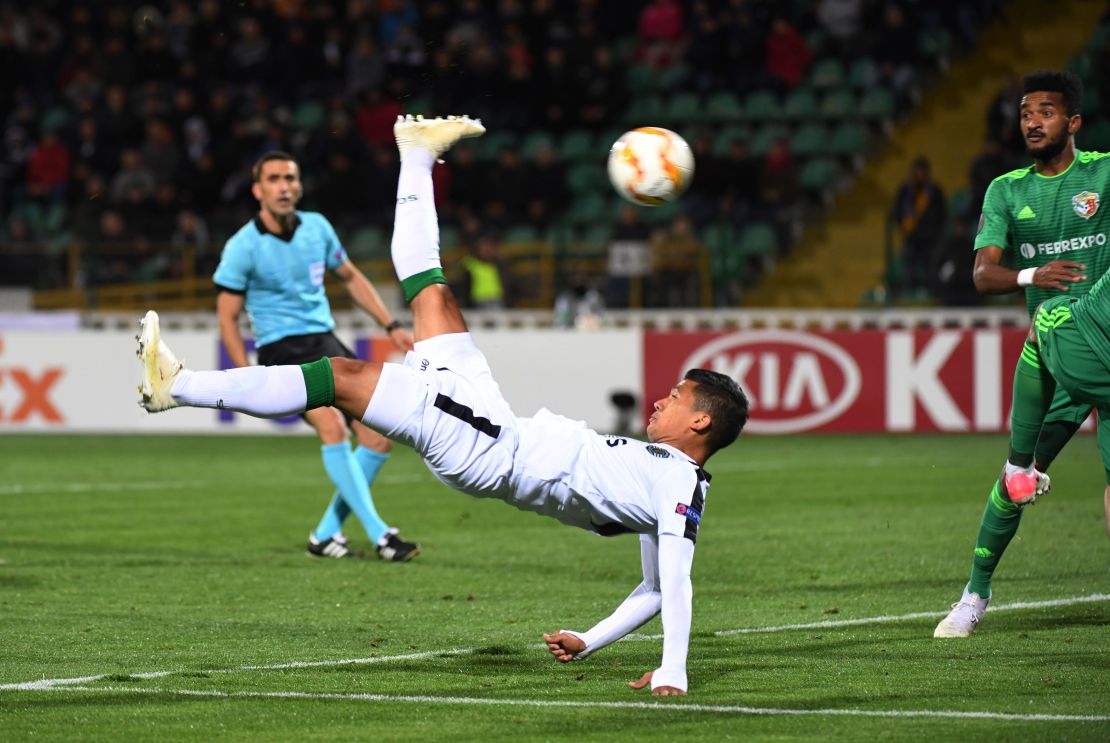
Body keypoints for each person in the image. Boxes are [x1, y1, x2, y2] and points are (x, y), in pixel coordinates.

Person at [136, 115, 750, 696]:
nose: (661, 402)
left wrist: (675, 667)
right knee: (431, 292)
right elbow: (650, 590)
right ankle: (418, 152)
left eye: (676, 400)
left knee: (342, 377)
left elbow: (674, 579)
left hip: (488, 449)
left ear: (700, 421)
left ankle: (178, 386)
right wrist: (587, 641)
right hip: (492, 416)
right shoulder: (661, 478)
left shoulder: (677, 485)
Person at [935, 70, 1110, 637]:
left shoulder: (1104, 174)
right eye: (1026, 112)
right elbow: (984, 275)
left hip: (1103, 347)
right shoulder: (1007, 190)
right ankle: (974, 595)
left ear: (1073, 122)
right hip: (1051, 357)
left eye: (1047, 111)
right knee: (1016, 479)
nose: (1033, 121)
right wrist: (1034, 272)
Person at [212, 151, 420, 562]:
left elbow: (351, 278)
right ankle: (381, 535)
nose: (284, 186)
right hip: (281, 350)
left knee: (378, 437)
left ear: (300, 186)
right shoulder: (242, 246)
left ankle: (325, 535)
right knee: (332, 427)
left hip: (326, 344)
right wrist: (243, 376)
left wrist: (391, 325)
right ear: (258, 190)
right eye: (273, 179)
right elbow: (227, 318)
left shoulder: (318, 228)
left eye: (290, 178)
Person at [891, 156, 946, 297]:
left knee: (932, 269)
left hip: (930, 239)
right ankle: (907, 295)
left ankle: (934, 296)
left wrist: (933, 232)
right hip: (911, 238)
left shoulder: (934, 192)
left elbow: (941, 215)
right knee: (907, 266)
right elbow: (898, 212)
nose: (920, 174)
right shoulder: (905, 191)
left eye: (922, 171)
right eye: (917, 171)